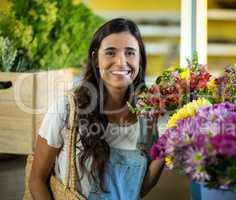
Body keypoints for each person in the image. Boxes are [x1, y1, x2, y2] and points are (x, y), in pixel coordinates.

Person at [29, 18, 164, 199]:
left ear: (140, 60)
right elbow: (37, 180)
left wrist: (166, 149)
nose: (121, 61)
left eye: (130, 53)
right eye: (110, 52)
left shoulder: (146, 118)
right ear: (96, 59)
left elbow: (135, 191)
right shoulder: (67, 109)